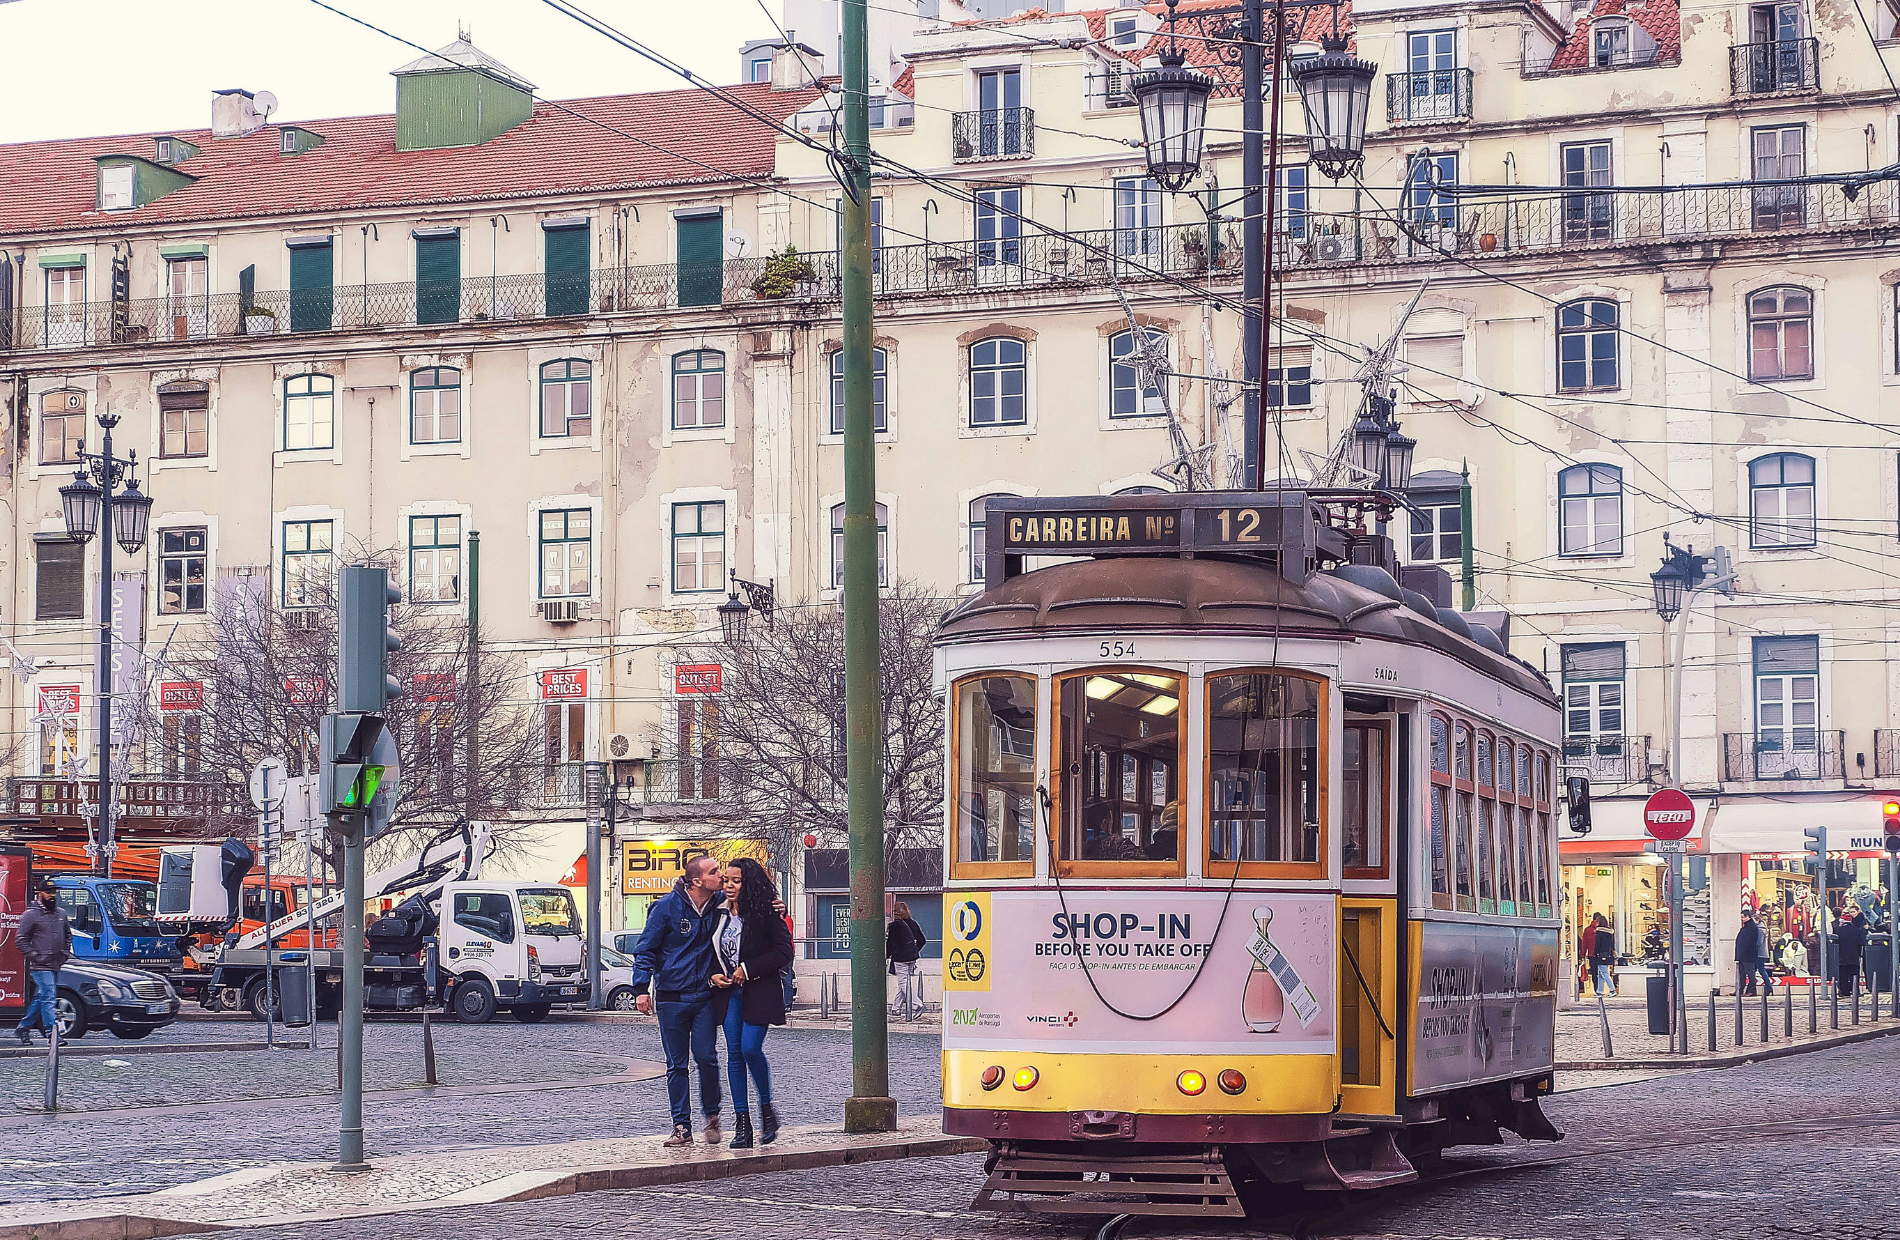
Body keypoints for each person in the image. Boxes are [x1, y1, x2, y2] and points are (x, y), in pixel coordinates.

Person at [629, 855, 729, 1147]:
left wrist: (776, 907)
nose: (720, 875)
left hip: (704, 997)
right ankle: (681, 1126)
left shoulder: (720, 904)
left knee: (707, 1058)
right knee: (677, 1064)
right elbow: (645, 949)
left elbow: (750, 903)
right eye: (714, 872)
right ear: (697, 880)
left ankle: (712, 1116)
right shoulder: (664, 908)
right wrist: (640, 989)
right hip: (672, 998)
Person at [710, 858, 794, 1150]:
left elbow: (784, 952)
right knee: (734, 1056)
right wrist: (713, 975)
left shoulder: (765, 912)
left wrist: (748, 968)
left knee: (750, 1048)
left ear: (749, 883)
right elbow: (709, 951)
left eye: (736, 881)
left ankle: (767, 1110)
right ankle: (742, 1124)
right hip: (728, 993)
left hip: (759, 991)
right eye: (726, 880)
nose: (729, 886)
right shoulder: (717, 913)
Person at [16, 878, 71, 1045]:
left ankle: (24, 1027)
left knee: (42, 997)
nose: (52, 895)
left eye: (54, 892)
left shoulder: (61, 913)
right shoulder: (31, 914)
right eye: (48, 892)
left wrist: (65, 953)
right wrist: (35, 955)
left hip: (55, 962)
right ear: (40, 893)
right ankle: (51, 1032)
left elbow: (68, 935)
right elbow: (20, 939)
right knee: (49, 995)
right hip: (40, 964)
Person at [886, 901, 926, 1022]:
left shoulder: (895, 926)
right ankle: (896, 1007)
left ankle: (917, 1005)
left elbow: (890, 943)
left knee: (903, 982)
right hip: (912, 957)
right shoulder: (913, 924)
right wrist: (914, 950)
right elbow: (922, 940)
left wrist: (886, 956)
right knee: (905, 982)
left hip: (900, 958)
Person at [1736, 907, 1773, 996]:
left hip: (1759, 954)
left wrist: (1752, 948)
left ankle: (1768, 987)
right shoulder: (1759, 928)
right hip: (1757, 953)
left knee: (1759, 970)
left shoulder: (1759, 929)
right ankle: (1754, 989)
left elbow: (1758, 942)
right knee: (1754, 971)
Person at [1835, 903, 1868, 999]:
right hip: (1854, 956)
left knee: (1843, 975)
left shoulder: (1838, 931)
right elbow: (1862, 941)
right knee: (1854, 974)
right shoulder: (1857, 930)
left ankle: (1844, 991)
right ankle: (1855, 990)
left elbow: (1836, 943)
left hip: (1842, 957)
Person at [1588, 913, 1617, 998]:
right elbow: (1611, 945)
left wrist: (1595, 953)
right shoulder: (1609, 933)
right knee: (1601, 973)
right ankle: (1599, 991)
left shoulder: (1599, 932)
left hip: (1600, 955)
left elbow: (1597, 945)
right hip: (1608, 955)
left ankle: (1612, 990)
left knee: (1604, 973)